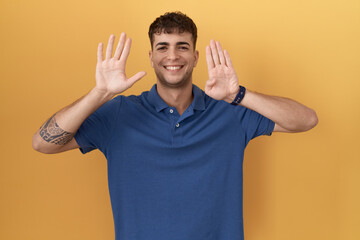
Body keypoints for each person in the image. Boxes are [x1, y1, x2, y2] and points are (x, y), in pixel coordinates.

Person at [33, 11, 318, 240]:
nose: (172, 56)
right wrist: (101, 94)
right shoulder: (119, 113)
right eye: (163, 47)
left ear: (195, 57)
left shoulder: (231, 112)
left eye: (182, 46)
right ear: (151, 56)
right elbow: (42, 143)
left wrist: (237, 95)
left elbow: (306, 120)